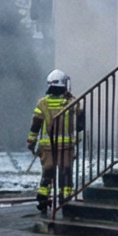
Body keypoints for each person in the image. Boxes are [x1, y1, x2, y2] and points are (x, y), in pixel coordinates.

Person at [27, 69, 85, 220]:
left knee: (47, 175)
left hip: (47, 147)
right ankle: (65, 202)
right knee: (66, 175)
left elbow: (36, 124)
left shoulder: (42, 102)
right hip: (66, 147)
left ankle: (43, 202)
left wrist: (31, 142)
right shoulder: (71, 103)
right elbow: (80, 120)